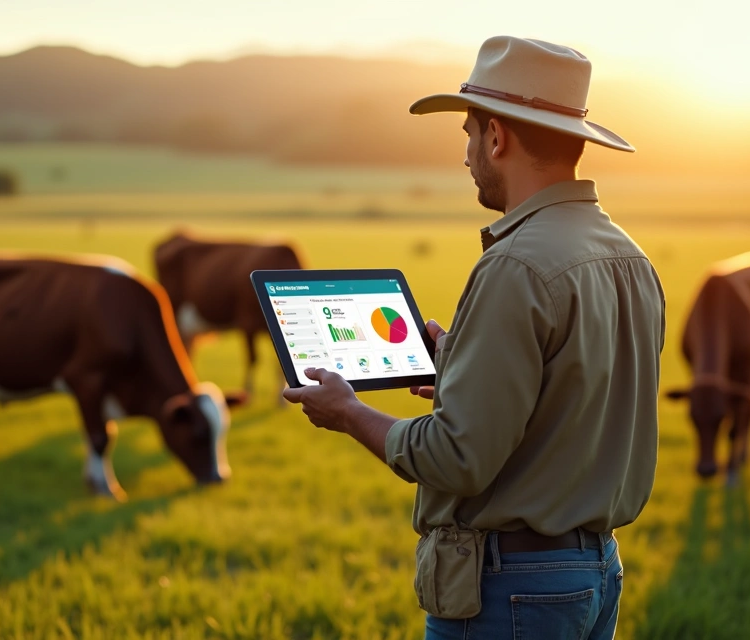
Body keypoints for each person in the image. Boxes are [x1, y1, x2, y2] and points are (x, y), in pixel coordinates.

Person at [282, 36, 666, 639]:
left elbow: (457, 458)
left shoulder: (515, 266)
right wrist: (458, 368)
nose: (465, 155)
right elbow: (568, 400)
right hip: (596, 572)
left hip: (511, 589)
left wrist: (350, 412)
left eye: (467, 133)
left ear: (497, 137)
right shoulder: (628, 256)